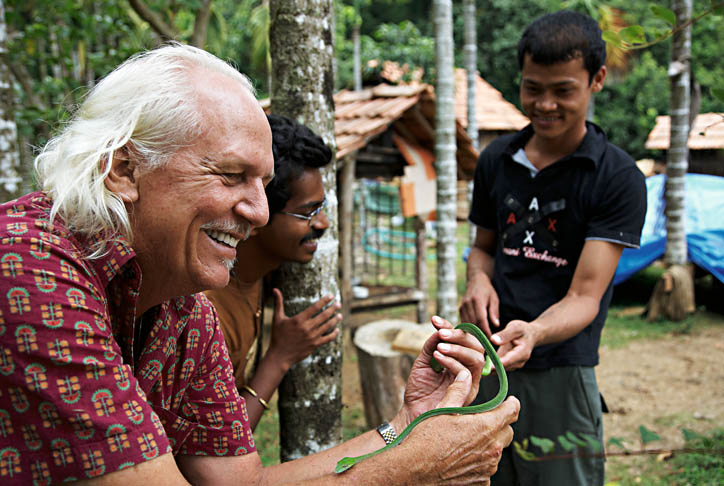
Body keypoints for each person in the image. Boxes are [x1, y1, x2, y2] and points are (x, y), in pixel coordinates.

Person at [0, 42, 519, 485]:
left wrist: (407, 425)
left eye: (262, 184)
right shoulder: (27, 266)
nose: (259, 211)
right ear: (124, 169)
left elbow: (239, 481)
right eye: (230, 175)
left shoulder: (185, 311)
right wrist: (412, 468)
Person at [459, 10, 646, 486]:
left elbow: (586, 295)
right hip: (489, 360)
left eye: (562, 90)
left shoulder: (617, 178)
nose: (544, 104)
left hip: (562, 366)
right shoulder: (497, 159)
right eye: (532, 87)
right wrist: (478, 280)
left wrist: (536, 333)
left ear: (596, 80)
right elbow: (482, 247)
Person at [205, 114, 341, 430]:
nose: (322, 225)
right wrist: (280, 357)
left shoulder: (264, 270)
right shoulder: (208, 314)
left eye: (321, 210)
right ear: (257, 214)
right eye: (308, 213)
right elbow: (224, 442)